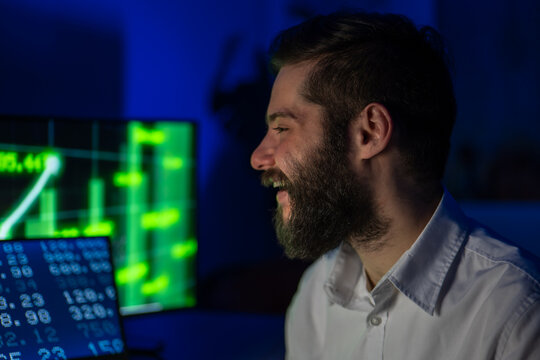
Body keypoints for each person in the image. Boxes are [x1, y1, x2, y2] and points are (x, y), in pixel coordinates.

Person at [250, 11, 540, 360]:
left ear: (369, 132)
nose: (258, 157)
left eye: (281, 128)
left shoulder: (517, 313)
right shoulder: (315, 295)